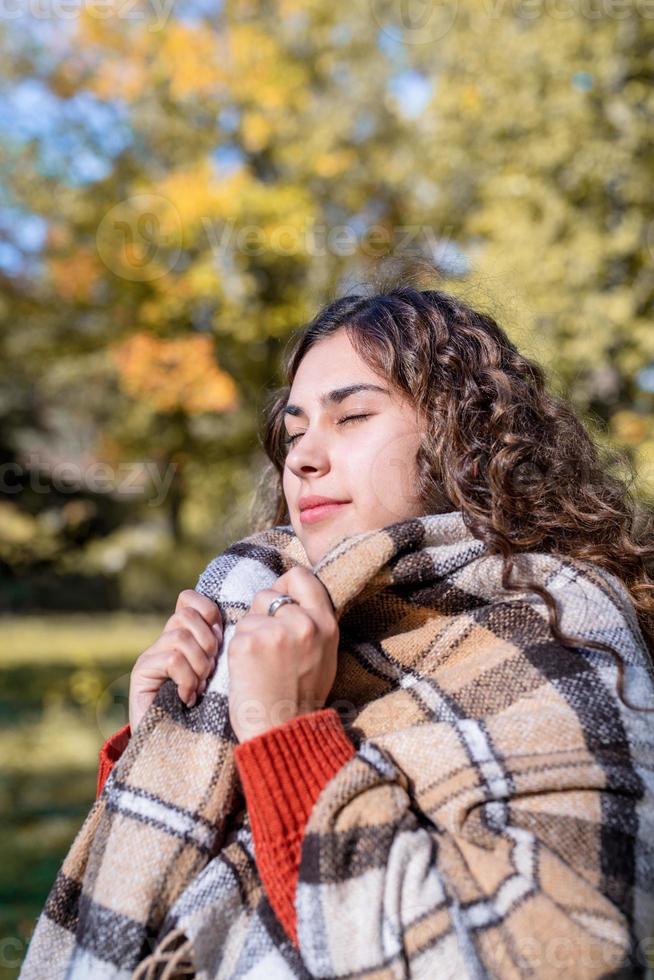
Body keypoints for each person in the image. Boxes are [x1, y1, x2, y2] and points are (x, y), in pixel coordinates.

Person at [95, 271, 654, 977]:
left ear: (465, 439)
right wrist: (166, 751)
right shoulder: (274, 617)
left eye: (352, 417)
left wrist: (282, 734)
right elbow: (200, 921)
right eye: (294, 430)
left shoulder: (560, 624)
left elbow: (549, 957)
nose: (302, 455)